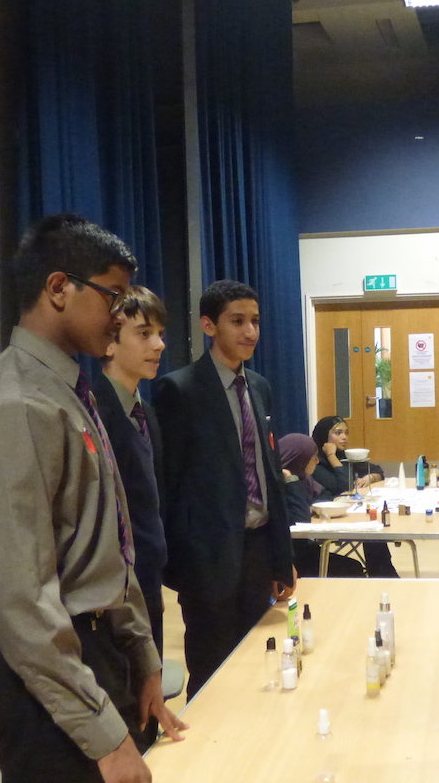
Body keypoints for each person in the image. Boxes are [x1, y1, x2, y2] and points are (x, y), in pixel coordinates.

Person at [0, 214, 186, 783]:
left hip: (84, 638)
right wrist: (106, 735)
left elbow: (107, 542)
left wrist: (144, 657)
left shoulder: (69, 389)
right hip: (27, 657)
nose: (121, 315)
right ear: (58, 288)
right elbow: (23, 601)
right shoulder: (15, 405)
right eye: (113, 296)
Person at [153, 279, 296, 698]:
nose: (250, 331)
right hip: (208, 559)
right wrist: (182, 566)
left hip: (256, 551)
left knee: (257, 661)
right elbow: (170, 487)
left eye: (254, 321)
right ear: (208, 325)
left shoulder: (260, 387)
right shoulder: (179, 390)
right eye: (237, 321)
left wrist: (280, 558)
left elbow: (269, 473)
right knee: (212, 675)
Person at [94, 285, 169, 658]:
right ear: (109, 342)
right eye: (144, 334)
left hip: (148, 580)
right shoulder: (90, 413)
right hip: (110, 594)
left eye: (160, 334)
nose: (158, 345)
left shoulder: (146, 413)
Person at [310, 416, 398, 577]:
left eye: (346, 433)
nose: (344, 437)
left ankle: (383, 573)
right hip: (327, 518)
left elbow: (377, 470)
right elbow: (345, 486)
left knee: (372, 524)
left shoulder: (344, 455)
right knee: (369, 526)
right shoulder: (315, 462)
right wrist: (332, 457)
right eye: (338, 433)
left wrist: (370, 478)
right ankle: (382, 574)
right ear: (324, 437)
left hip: (345, 511)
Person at [280, 432, 365, 578]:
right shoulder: (281, 484)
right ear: (300, 460)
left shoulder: (305, 479)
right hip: (289, 558)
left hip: (304, 549)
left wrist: (313, 507)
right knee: (352, 569)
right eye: (313, 458)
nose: (317, 462)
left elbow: (323, 495)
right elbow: (301, 522)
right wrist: (292, 482)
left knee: (354, 566)